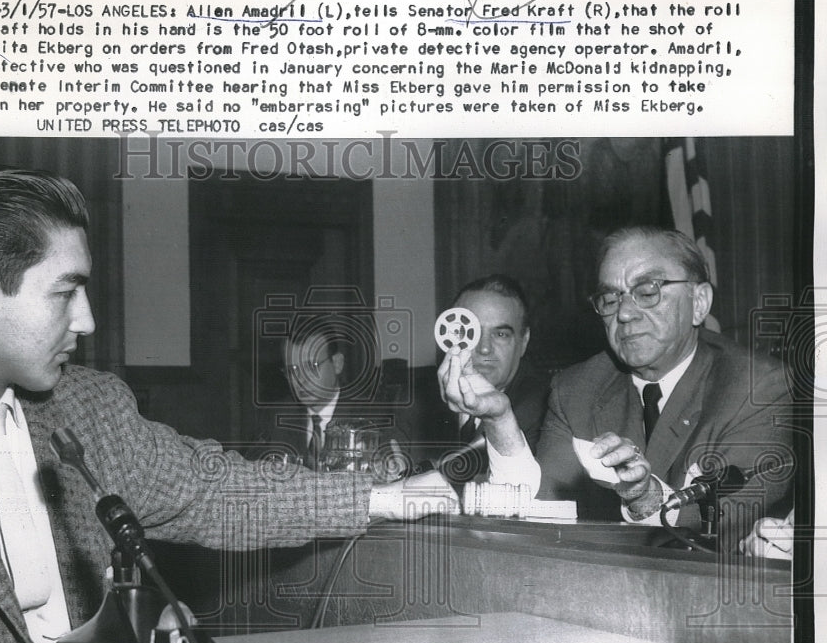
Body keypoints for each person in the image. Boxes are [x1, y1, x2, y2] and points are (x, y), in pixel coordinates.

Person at [0, 165, 453, 643]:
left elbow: (211, 490)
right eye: (65, 293)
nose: (87, 319)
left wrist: (382, 498)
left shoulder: (89, 408)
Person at [440, 226, 793, 549]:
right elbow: (538, 512)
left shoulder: (757, 387)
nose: (624, 313)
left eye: (647, 292)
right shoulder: (577, 389)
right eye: (610, 299)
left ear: (699, 303)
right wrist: (500, 420)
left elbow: (727, 525)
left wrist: (645, 496)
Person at [431, 275, 550, 485]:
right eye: (470, 332)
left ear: (524, 341)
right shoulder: (415, 399)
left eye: (501, 334)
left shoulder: (548, 408)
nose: (484, 348)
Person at [252, 320, 409, 477]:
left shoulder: (372, 414)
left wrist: (392, 464)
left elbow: (396, 454)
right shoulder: (274, 417)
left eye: (312, 366)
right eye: (292, 370)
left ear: (337, 363)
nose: (301, 379)